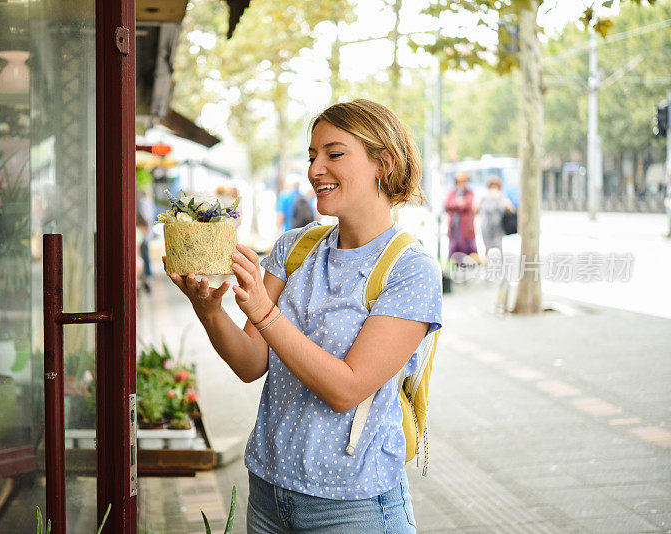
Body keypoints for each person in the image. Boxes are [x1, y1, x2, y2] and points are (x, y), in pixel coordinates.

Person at [165, 99, 442, 533]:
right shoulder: (296, 248)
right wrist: (209, 310)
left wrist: (263, 311)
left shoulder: (411, 269)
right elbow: (249, 363)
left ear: (382, 163)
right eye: (312, 156)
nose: (315, 169)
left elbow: (346, 388)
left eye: (334, 154)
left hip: (354, 507)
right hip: (268, 491)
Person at [474, 175, 515, 257]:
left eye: (496, 186)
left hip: (498, 227)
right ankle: (487, 266)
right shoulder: (483, 198)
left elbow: (512, 211)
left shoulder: (502, 198)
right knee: (487, 247)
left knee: (499, 247)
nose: (494, 188)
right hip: (486, 227)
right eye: (492, 186)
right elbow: (475, 210)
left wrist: (507, 205)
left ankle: (501, 266)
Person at [444, 171, 478, 261]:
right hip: (454, 227)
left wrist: (456, 205)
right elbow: (447, 205)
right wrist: (457, 203)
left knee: (468, 251)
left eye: (464, 181)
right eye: (460, 181)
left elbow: (467, 204)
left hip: (466, 227)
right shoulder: (452, 192)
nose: (462, 183)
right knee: (454, 250)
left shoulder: (469, 192)